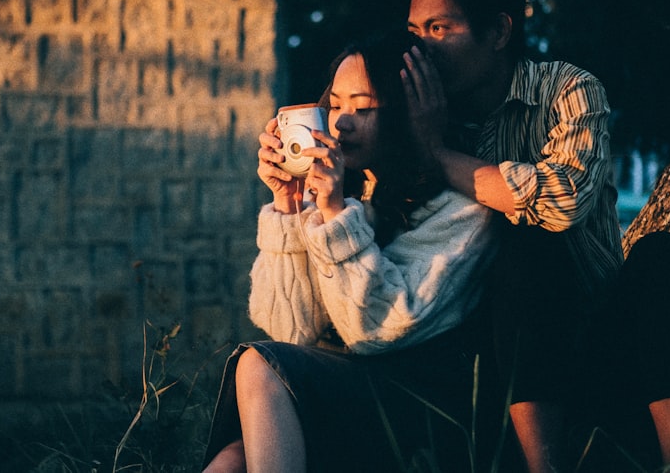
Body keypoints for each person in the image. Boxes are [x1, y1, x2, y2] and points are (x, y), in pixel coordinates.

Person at [397, 0, 670, 472]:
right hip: (489, 365)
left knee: (663, 254)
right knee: (516, 247)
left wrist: (438, 156)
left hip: (598, 340)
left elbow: (560, 201)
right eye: (414, 33)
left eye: (439, 29)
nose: (422, 51)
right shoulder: (415, 113)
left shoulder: (568, 89)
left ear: (498, 32)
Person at [201, 31, 504, 473]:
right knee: (231, 460)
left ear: (408, 113)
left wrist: (333, 212)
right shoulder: (342, 197)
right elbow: (290, 333)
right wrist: (288, 205)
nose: (341, 123)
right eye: (336, 105)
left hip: (420, 417)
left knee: (257, 364)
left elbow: (375, 330)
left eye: (363, 108)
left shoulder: (463, 212)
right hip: (348, 395)